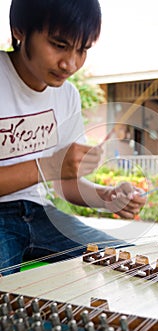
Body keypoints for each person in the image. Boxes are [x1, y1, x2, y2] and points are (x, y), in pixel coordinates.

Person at [0, 0, 146, 276]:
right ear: (20, 29)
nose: (70, 64)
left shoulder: (67, 96)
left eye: (83, 50)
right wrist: (49, 166)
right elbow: (53, 169)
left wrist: (107, 196)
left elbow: (65, 184)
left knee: (133, 263)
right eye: (59, 44)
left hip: (40, 211)